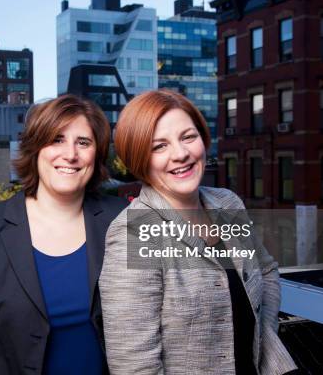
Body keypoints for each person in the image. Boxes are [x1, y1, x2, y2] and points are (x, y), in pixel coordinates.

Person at [99, 90, 297, 375]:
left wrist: (264, 337)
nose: (180, 154)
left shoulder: (227, 203)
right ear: (139, 158)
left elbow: (266, 271)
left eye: (188, 137)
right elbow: (134, 366)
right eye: (159, 146)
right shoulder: (133, 232)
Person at [0, 95, 128, 375]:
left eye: (83, 142)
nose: (71, 154)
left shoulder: (122, 218)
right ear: (35, 148)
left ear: (96, 154)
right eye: (57, 140)